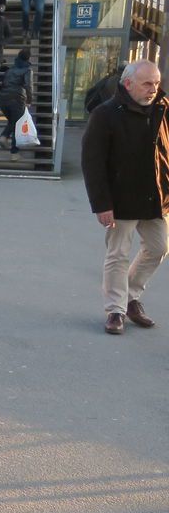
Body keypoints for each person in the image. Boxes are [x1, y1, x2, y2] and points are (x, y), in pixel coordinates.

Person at [81, 60, 168, 336]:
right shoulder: (105, 114)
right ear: (128, 83)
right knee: (118, 254)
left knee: (159, 246)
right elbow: (92, 162)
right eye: (147, 83)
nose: (153, 89)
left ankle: (130, 297)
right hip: (120, 197)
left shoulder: (164, 109)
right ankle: (116, 310)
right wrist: (101, 203)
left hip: (157, 196)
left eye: (156, 83)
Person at [0, 48, 34, 161]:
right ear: (28, 58)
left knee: (13, 122)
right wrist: (29, 100)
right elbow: (28, 86)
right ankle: (14, 152)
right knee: (17, 125)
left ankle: (5, 137)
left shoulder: (10, 70)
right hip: (16, 99)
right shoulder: (27, 70)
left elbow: (3, 83)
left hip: (3, 99)